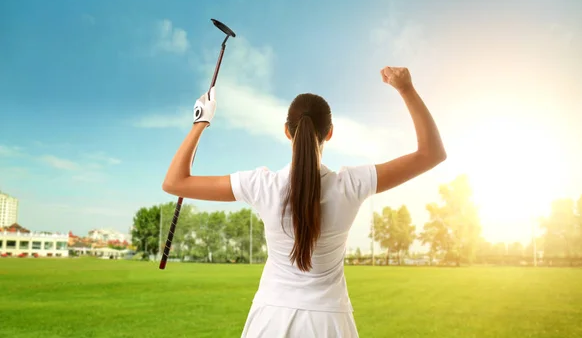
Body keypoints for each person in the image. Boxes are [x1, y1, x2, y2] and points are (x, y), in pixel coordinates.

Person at [162, 66, 446, 337]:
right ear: (330, 133)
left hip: (270, 321)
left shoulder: (262, 185)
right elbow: (431, 153)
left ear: (287, 131)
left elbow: (175, 183)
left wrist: (201, 122)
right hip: (329, 322)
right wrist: (406, 89)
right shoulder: (352, 184)